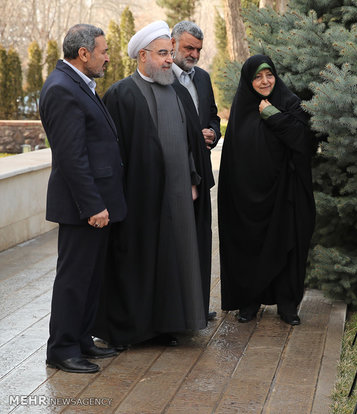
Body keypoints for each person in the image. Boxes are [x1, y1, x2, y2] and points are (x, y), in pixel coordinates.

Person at [92, 20, 207, 347]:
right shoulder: (120, 95)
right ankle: (131, 331)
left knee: (172, 260)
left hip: (177, 197)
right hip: (138, 198)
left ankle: (165, 326)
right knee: (136, 263)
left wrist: (193, 179)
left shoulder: (179, 93)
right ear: (142, 56)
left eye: (170, 53)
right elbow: (109, 154)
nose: (169, 60)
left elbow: (189, 145)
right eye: (162, 54)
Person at [40, 24, 126, 373]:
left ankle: (81, 339)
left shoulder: (79, 84)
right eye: (104, 51)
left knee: (90, 278)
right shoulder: (62, 89)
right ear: (84, 53)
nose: (108, 57)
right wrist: (92, 205)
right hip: (84, 207)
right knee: (74, 279)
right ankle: (61, 349)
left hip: (97, 201)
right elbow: (71, 157)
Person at [218, 54, 316, 326]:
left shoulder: (290, 103)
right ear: (249, 81)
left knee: (287, 244)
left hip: (285, 193)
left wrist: (274, 116)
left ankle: (287, 304)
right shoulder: (241, 109)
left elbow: (303, 141)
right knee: (251, 245)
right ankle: (249, 302)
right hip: (248, 195)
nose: (264, 81)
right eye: (257, 77)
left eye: (269, 75)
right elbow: (234, 155)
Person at [170, 20, 221, 322]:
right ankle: (180, 310)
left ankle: (200, 306)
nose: (194, 54)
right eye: (189, 47)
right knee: (178, 244)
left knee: (202, 241)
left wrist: (212, 134)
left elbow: (212, 116)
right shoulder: (161, 78)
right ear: (173, 44)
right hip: (177, 176)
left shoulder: (202, 78)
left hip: (203, 174)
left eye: (199, 49)